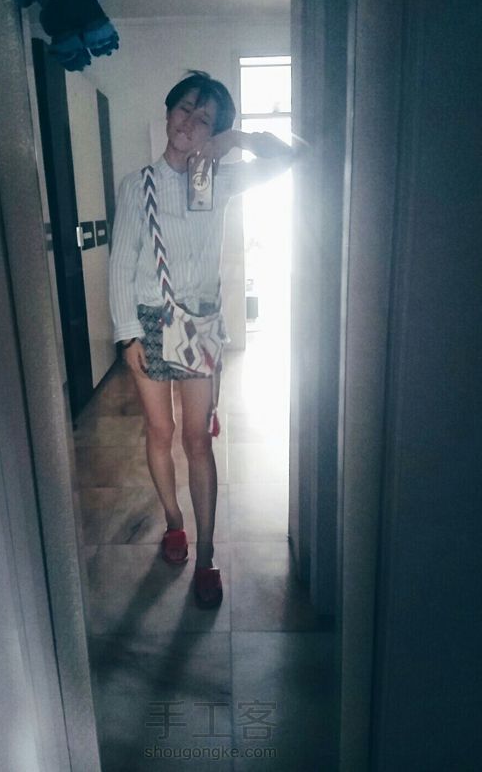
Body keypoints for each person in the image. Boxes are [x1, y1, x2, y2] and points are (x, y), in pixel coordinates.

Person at [109, 70, 300, 608]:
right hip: (150, 322)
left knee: (198, 440)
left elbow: (292, 156)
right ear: (169, 112)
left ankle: (208, 552)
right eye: (185, 109)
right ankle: (175, 523)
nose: (190, 122)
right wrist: (127, 335)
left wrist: (235, 139)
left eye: (205, 119)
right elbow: (122, 264)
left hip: (201, 326)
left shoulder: (221, 178)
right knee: (160, 429)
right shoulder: (137, 185)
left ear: (214, 131)